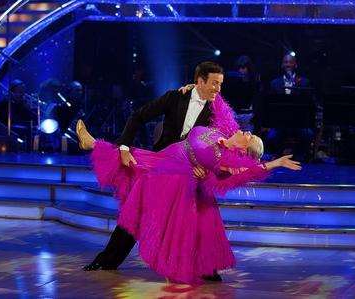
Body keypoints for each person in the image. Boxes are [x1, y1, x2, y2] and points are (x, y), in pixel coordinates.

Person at [77, 119, 301, 284]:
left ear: (243, 150)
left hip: (172, 177)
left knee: (136, 165)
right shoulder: (221, 132)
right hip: (166, 157)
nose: (248, 131)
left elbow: (242, 172)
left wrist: (274, 164)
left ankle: (94, 144)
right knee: (136, 161)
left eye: (251, 137)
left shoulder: (221, 160)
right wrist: (189, 89)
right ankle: (94, 144)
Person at [82, 61, 239, 281]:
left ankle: (207, 269)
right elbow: (138, 116)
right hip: (163, 167)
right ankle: (107, 260)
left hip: (192, 174)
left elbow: (220, 148)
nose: (218, 90)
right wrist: (125, 147)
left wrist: (208, 171)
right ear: (200, 81)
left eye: (221, 84)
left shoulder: (217, 111)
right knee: (137, 211)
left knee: (204, 215)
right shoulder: (176, 97)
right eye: (214, 83)